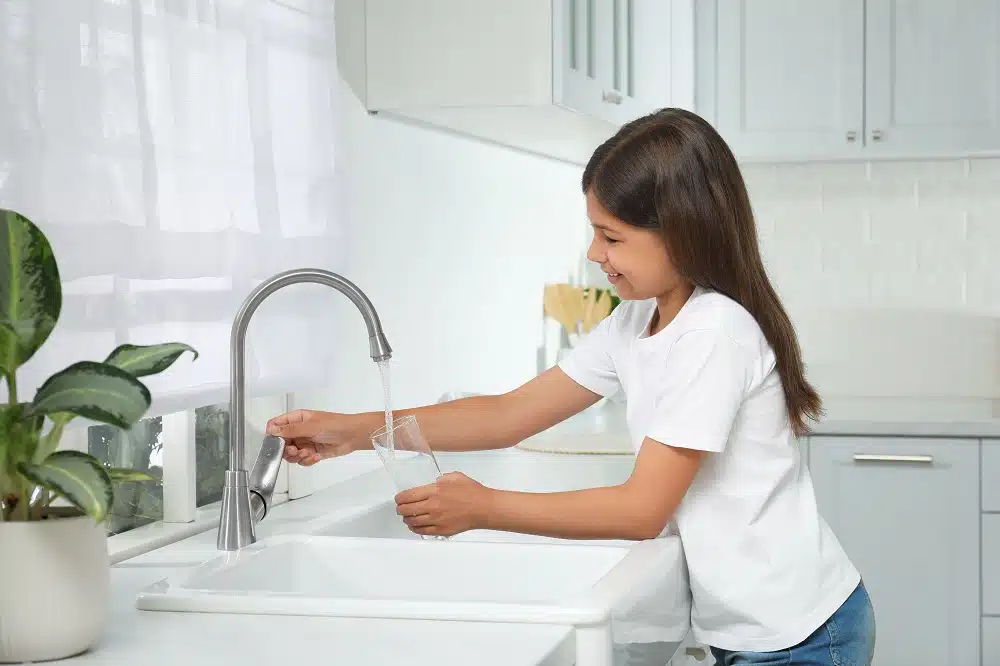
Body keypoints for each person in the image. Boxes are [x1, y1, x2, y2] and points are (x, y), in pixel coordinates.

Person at [265, 108, 876, 666]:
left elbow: (641, 510)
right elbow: (509, 414)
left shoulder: (713, 334)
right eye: (594, 232)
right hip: (754, 630)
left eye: (612, 237)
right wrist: (352, 430)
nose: (594, 253)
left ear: (684, 232)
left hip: (800, 637)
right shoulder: (639, 318)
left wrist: (485, 508)